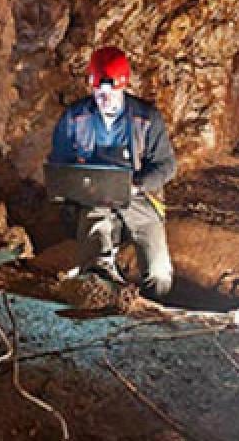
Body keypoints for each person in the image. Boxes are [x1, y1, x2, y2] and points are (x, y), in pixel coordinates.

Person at [48, 46, 177, 295]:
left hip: (139, 197)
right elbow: (59, 163)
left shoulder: (147, 119)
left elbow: (167, 165)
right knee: (96, 262)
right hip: (94, 197)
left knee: (159, 274)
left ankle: (150, 314)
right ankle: (103, 293)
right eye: (99, 93)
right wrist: (76, 185)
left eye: (111, 93)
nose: (105, 100)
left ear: (123, 87)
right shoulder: (75, 118)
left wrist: (138, 184)